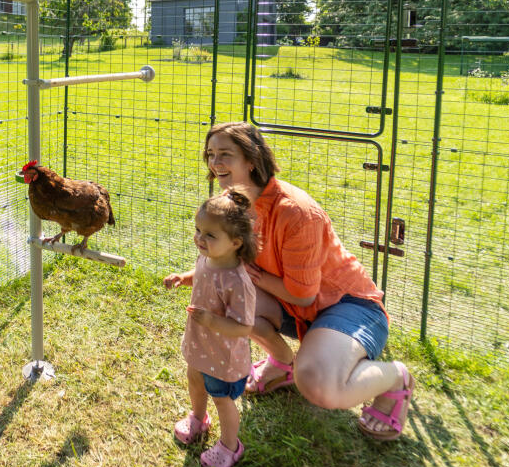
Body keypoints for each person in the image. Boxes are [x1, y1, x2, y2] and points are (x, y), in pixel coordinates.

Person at [172, 121, 414, 441]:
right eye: (211, 154)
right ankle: (282, 364)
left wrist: (255, 275)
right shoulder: (234, 203)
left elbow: (302, 294)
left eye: (225, 154)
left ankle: (396, 378)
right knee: (226, 304)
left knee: (317, 384)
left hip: (347, 306)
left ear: (251, 160)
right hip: (292, 305)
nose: (215, 163)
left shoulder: (296, 211)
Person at [163, 189, 257, 467]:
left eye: (210, 235)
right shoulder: (207, 259)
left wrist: (212, 321)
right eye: (198, 230)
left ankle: (230, 446)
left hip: (222, 355)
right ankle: (198, 418)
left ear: (236, 242)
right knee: (194, 379)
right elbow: (201, 275)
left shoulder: (237, 282)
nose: (200, 239)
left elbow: (244, 327)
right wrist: (183, 278)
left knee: (222, 399)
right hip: (200, 344)